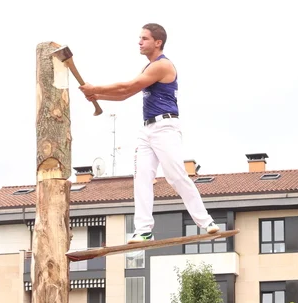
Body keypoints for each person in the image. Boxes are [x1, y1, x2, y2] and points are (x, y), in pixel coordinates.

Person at [79, 23, 222, 244]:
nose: (139, 42)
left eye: (144, 38)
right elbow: (125, 94)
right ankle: (143, 229)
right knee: (142, 177)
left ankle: (206, 221)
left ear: (158, 42)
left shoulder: (162, 65)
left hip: (165, 127)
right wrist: (97, 96)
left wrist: (95, 89)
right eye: (140, 38)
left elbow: (128, 86)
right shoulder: (148, 68)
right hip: (147, 129)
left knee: (176, 176)